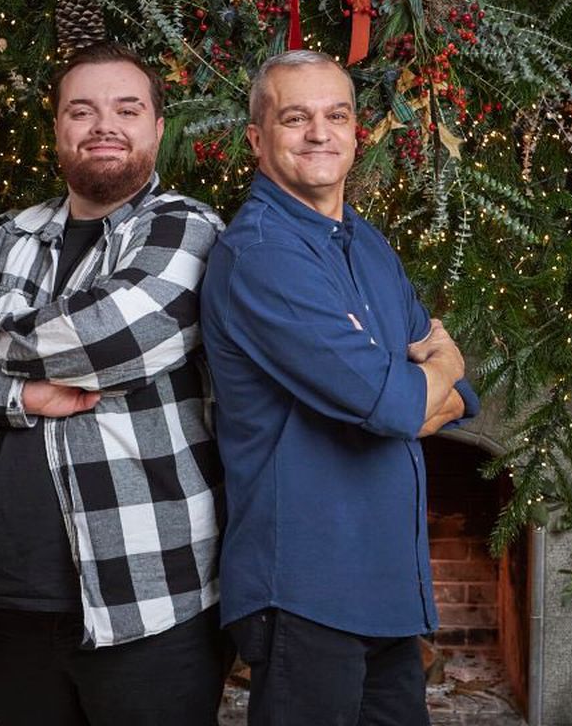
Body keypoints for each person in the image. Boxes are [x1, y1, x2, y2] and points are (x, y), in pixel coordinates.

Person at [0, 42, 227, 726]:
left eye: (126, 109)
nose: (104, 124)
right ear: (58, 130)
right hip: (5, 597)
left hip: (147, 596)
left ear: (159, 128)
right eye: (82, 109)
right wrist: (16, 396)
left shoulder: (188, 228)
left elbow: (113, 335)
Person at [200, 50, 480, 726]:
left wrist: (432, 385)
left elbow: (459, 400)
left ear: (357, 132)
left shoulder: (367, 243)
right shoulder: (262, 254)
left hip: (384, 585)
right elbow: (402, 402)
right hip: (307, 590)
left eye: (337, 115)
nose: (320, 133)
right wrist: (437, 370)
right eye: (295, 118)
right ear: (258, 139)